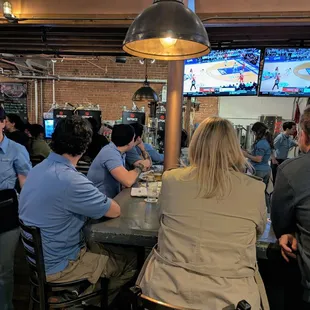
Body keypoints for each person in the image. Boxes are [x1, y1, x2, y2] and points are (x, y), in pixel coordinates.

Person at [137, 117, 268, 310]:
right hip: (231, 299)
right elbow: (257, 232)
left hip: (164, 293)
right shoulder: (255, 188)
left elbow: (161, 219)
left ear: (195, 145)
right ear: (234, 148)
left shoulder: (172, 179)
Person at [19, 116, 137, 305]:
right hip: (62, 266)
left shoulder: (38, 169)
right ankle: (79, 302)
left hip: (40, 260)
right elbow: (115, 210)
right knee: (130, 263)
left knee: (109, 249)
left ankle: (72, 296)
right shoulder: (70, 180)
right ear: (85, 146)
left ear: (53, 140)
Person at [271, 107, 310, 310]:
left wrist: (288, 232)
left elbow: (280, 222)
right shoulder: (280, 142)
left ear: (303, 136)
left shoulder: (292, 170)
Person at [0, 106, 31, 310]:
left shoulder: (16, 150)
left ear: (3, 123)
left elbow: (26, 186)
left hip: (6, 211)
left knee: (3, 268)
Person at [88, 124, 144, 198]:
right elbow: (128, 181)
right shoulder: (110, 153)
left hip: (107, 199)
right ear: (129, 141)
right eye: (133, 138)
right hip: (98, 202)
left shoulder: (117, 152)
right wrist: (141, 166)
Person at [242, 122, 272, 186]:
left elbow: (258, 159)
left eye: (254, 132)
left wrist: (246, 155)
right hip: (265, 170)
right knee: (262, 192)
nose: (253, 134)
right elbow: (260, 154)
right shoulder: (265, 141)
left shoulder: (261, 143)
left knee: (255, 191)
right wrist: (249, 152)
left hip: (259, 171)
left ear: (257, 132)